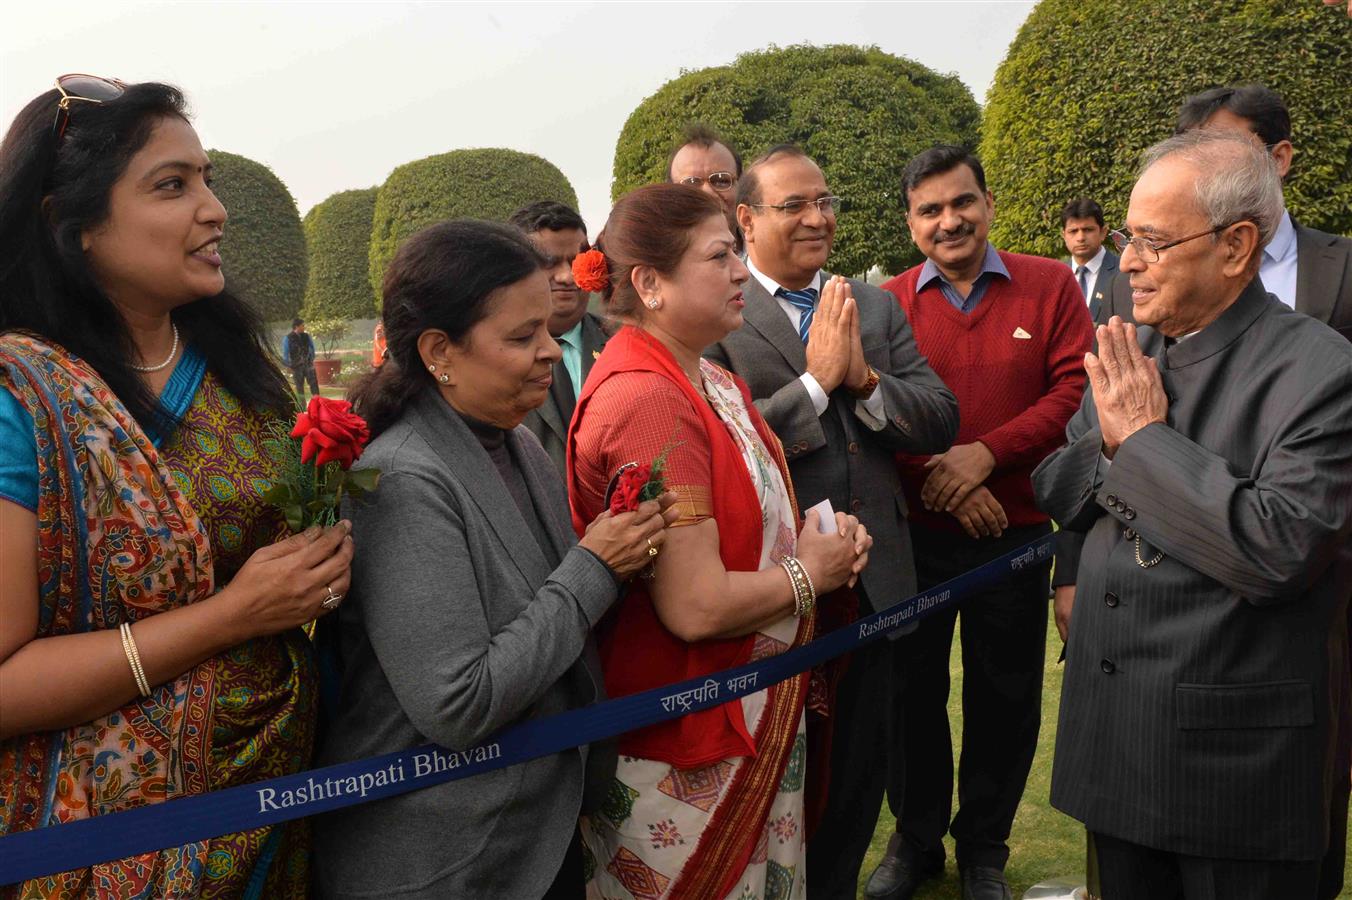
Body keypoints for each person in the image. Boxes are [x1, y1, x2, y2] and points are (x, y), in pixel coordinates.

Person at [0, 77, 353, 896]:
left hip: (273, 801)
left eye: (206, 180)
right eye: (172, 185)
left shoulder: (240, 372)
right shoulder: (26, 398)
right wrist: (230, 617)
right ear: (70, 224)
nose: (215, 210)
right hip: (102, 840)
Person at [313, 220, 677, 899]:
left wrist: (629, 556)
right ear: (438, 352)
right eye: (520, 337)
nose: (549, 351)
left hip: (528, 832)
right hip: (447, 857)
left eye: (545, 329)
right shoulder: (402, 477)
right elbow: (459, 703)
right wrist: (597, 566)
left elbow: (550, 615)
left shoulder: (517, 444)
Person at [1033, 130, 1352, 900]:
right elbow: (1057, 492)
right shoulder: (1132, 347)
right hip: (1117, 744)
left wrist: (1140, 442)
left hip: (1235, 768)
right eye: (1125, 236)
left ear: (1237, 246)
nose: (1129, 261)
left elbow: (1277, 550)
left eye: (1151, 240)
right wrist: (1114, 450)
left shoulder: (1322, 370)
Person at [569, 183, 873, 899]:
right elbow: (696, 606)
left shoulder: (709, 378)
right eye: (720, 255)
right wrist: (810, 576)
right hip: (689, 741)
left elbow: (750, 530)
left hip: (747, 714)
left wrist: (817, 539)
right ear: (649, 284)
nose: (742, 270)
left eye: (736, 252)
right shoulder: (648, 400)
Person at [706, 144, 960, 899]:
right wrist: (816, 385)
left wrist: (868, 379)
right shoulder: (720, 309)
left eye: (827, 202)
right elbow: (724, 446)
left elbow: (939, 416)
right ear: (746, 219)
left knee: (857, 783)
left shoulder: (871, 304)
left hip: (878, 589)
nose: (819, 218)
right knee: (783, 795)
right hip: (774, 595)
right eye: (795, 206)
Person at [864, 146, 1092, 900]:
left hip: (1017, 537)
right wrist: (949, 480)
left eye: (962, 203)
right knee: (911, 697)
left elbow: (1070, 394)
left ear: (988, 204)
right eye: (930, 210)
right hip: (916, 538)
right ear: (910, 224)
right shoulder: (886, 304)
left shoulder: (1051, 284)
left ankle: (985, 848)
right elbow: (871, 420)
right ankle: (916, 840)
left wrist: (986, 455)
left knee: (1006, 695)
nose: (949, 220)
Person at [510, 200, 609, 481]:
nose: (567, 276)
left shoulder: (625, 343)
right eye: (549, 263)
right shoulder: (491, 358)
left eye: (577, 260)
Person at [667, 123, 743, 251]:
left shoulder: (773, 262)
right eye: (691, 183)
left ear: (742, 186)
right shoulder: (659, 266)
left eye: (721, 181)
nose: (708, 193)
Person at [1060, 197, 1118, 321]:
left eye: (1088, 230)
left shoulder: (1123, 272)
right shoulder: (1056, 277)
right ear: (1064, 235)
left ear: (1103, 232)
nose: (1080, 237)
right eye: (1073, 231)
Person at [283, 316, 320, 398]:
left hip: (308, 365)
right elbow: (286, 353)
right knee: (299, 388)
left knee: (314, 385)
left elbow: (312, 349)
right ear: (297, 326)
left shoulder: (307, 336)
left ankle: (318, 404)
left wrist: (311, 361)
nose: (304, 327)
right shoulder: (287, 338)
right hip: (296, 367)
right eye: (302, 325)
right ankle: (302, 408)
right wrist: (288, 365)